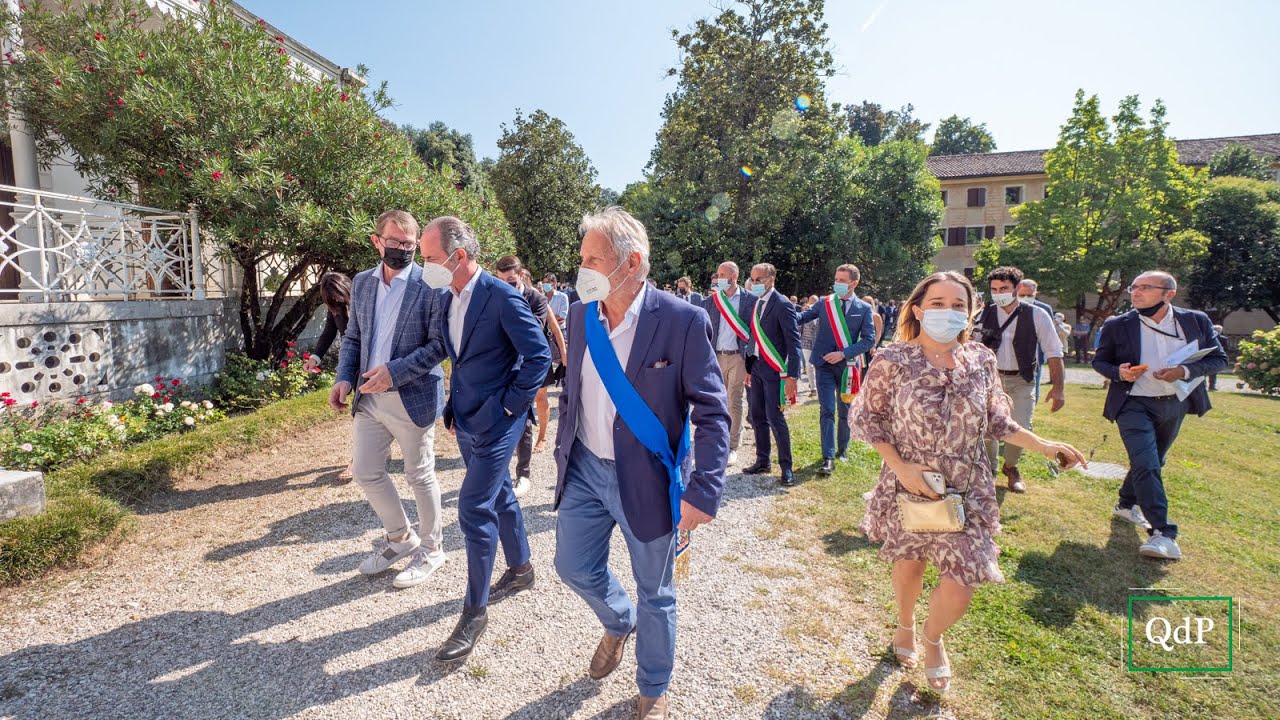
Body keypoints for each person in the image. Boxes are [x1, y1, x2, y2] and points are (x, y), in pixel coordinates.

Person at [850, 271, 1086, 692]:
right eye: (937, 303)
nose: (947, 312)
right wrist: (902, 467)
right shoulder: (893, 360)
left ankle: (932, 637)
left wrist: (1045, 446)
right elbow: (867, 419)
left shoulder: (981, 359)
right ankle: (904, 624)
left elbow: (999, 420)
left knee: (962, 582)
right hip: (913, 483)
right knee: (911, 562)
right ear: (919, 310)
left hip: (968, 488)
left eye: (958, 305)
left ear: (971, 313)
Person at [553, 207, 729, 720]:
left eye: (592, 258)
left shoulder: (681, 320)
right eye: (581, 256)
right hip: (585, 467)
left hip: (647, 478)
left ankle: (653, 688)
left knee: (657, 591)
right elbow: (574, 389)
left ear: (631, 263)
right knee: (572, 566)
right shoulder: (581, 313)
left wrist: (704, 489)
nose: (581, 268)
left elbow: (713, 413)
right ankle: (617, 619)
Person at [418, 216, 551, 662]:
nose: (425, 268)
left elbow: (539, 356)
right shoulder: (445, 296)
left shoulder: (502, 297)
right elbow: (456, 354)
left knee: (474, 506)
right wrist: (453, 404)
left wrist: (510, 407)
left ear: (458, 256)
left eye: (431, 259)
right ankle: (522, 568)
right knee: (499, 499)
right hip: (467, 418)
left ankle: (474, 613)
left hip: (500, 422)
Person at [330, 210, 448, 590]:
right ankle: (400, 538)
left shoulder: (432, 283)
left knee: (419, 474)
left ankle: (432, 549)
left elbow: (439, 345)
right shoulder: (363, 283)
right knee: (366, 471)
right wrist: (344, 377)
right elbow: (353, 338)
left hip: (412, 396)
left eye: (409, 244)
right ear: (376, 240)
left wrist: (393, 373)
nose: (402, 249)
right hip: (369, 398)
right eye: (394, 242)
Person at [1091, 271, 1228, 560]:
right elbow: (1100, 361)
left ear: (1168, 294)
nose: (1136, 293)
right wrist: (1119, 372)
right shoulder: (1119, 324)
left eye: (1145, 288)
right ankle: (1163, 533)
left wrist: (1185, 371)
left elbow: (1219, 359)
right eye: (1134, 287)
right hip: (1132, 403)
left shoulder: (1195, 321)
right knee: (1146, 462)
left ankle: (1126, 504)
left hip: (1175, 402)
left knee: (1154, 461)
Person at [975, 266, 1065, 493]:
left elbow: (1054, 351)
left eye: (1004, 288)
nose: (999, 293)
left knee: (1021, 425)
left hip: (1021, 380)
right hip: (989, 381)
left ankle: (1011, 466)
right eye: (994, 289)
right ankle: (989, 471)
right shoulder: (982, 314)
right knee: (986, 427)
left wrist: (1058, 389)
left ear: (1017, 288)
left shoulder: (1036, 315)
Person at [495, 256, 566, 498]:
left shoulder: (535, 298)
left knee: (524, 415)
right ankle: (498, 472)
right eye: (501, 282)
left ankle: (523, 472)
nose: (507, 287)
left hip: (528, 366)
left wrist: (564, 359)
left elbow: (533, 331)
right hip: (501, 366)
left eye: (511, 282)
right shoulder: (494, 294)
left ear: (521, 274)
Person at [799, 265, 877, 476]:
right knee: (827, 409)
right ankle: (828, 457)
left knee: (845, 410)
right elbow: (802, 318)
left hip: (847, 368)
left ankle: (843, 449)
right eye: (836, 279)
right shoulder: (825, 303)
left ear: (854, 283)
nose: (837, 283)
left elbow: (869, 340)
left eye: (842, 280)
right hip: (823, 365)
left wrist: (843, 353)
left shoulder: (863, 309)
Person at [742, 263, 801, 486]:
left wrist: (792, 377)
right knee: (757, 416)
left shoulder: (783, 305)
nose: (755, 284)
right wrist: (748, 367)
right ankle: (762, 460)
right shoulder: (756, 303)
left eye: (759, 280)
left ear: (771, 280)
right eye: (752, 279)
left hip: (774, 371)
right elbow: (752, 338)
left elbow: (793, 344)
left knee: (775, 417)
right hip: (756, 368)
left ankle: (786, 468)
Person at [703, 261, 757, 468]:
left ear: (734, 277)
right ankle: (718, 438)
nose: (718, 278)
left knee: (734, 399)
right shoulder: (711, 301)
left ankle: (732, 445)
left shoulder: (750, 300)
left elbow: (753, 332)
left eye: (722, 274)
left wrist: (750, 358)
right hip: (716, 356)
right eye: (717, 274)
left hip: (738, 356)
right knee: (717, 399)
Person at [307, 271, 354, 481]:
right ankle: (359, 459)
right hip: (351, 359)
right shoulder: (334, 307)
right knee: (361, 411)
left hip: (374, 359)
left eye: (339, 300)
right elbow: (329, 331)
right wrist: (315, 357)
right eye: (331, 303)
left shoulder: (367, 298)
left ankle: (367, 455)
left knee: (369, 410)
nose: (336, 306)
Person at [799, 297, 819, 397]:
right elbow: (800, 327)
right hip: (806, 342)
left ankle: (819, 386)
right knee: (809, 365)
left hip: (819, 343)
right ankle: (813, 388)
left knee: (818, 365)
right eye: (812, 301)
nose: (813, 303)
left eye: (815, 301)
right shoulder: (806, 312)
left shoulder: (822, 313)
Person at [862, 294, 885, 366]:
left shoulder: (876, 316)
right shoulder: (858, 315)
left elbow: (878, 333)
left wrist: (874, 345)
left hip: (870, 345)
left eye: (865, 303)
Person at [1209, 324, 1225, 391]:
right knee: (1213, 373)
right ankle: (1212, 386)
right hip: (1215, 357)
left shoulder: (1208, 337)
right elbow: (1225, 349)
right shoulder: (1223, 339)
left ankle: (1208, 386)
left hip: (1208, 355)